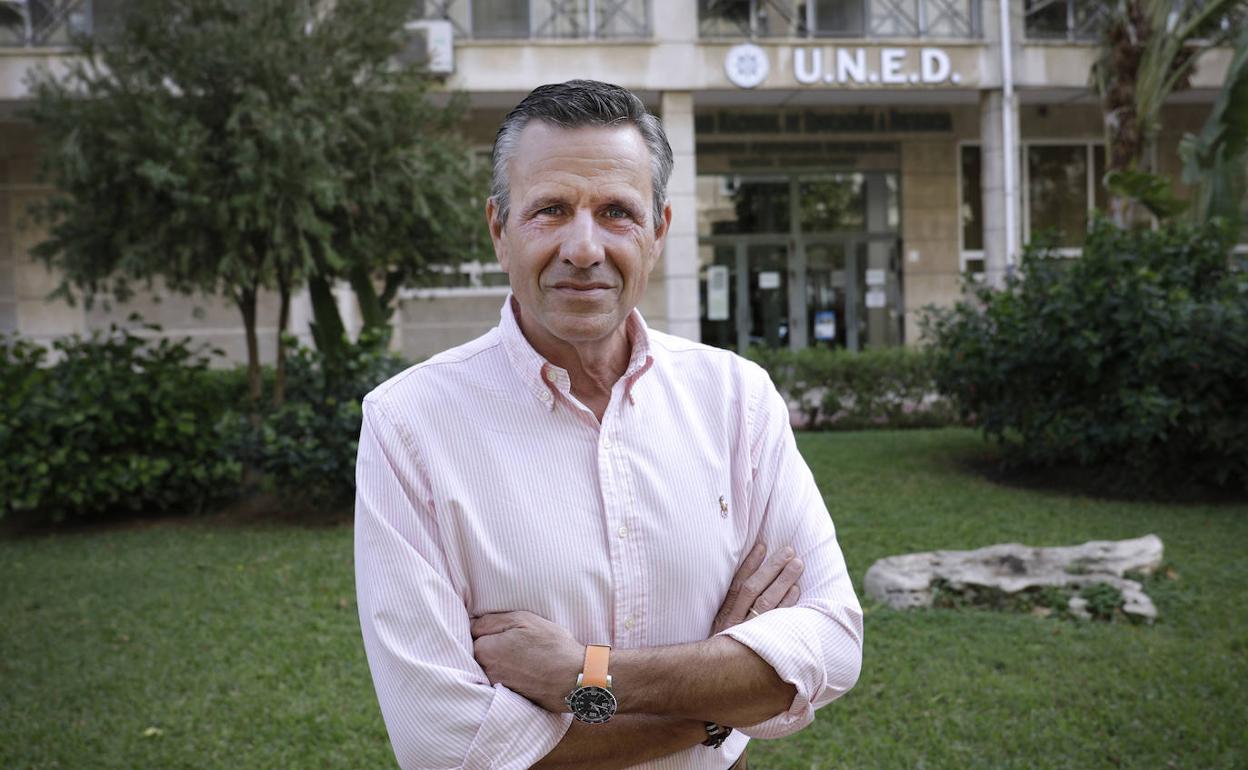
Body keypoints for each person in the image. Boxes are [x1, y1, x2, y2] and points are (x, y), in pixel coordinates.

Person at [354, 79, 863, 770]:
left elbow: (831, 647)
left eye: (617, 211)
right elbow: (448, 745)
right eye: (551, 210)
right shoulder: (408, 424)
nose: (584, 247)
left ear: (658, 232)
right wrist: (721, 704)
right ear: (499, 231)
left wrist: (586, 678)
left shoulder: (737, 398)